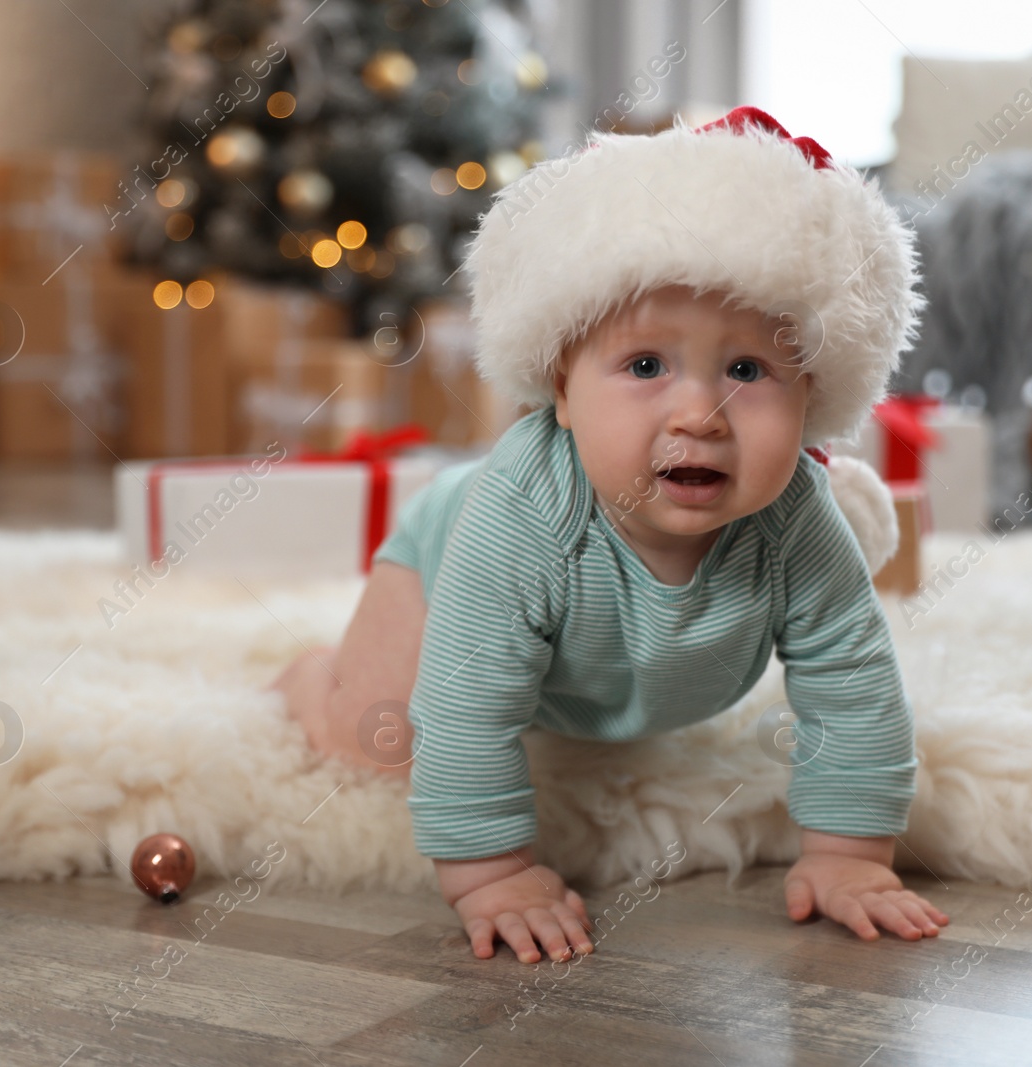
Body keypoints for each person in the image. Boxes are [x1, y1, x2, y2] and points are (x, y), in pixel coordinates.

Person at [271, 106, 948, 965]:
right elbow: (469, 702)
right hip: (439, 571)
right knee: (376, 739)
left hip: (612, 673)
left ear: (812, 394)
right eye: (644, 366)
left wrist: (849, 855)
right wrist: (493, 871)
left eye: (748, 370)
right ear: (560, 388)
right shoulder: (522, 512)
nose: (700, 413)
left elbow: (852, 676)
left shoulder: (796, 519)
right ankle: (305, 682)